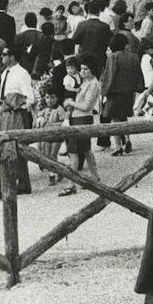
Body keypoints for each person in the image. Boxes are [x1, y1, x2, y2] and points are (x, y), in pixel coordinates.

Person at [0, 47, 33, 200]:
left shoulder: (22, 74)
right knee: (13, 150)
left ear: (12, 57)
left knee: (9, 149)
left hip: (16, 115)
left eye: (5, 54)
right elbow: (0, 98)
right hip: (4, 115)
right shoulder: (4, 73)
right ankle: (24, 183)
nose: (1, 57)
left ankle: (0, 187)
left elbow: (30, 98)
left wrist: (16, 103)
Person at [60, 54, 102, 196]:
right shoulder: (85, 82)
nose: (82, 72)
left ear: (92, 70)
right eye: (82, 69)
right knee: (85, 150)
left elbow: (86, 106)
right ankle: (95, 177)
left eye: (86, 69)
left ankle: (72, 183)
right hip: (79, 118)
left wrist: (70, 103)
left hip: (82, 118)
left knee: (74, 152)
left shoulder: (93, 84)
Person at [100, 33, 143, 156]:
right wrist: (138, 87)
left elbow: (110, 76)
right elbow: (138, 74)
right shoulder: (133, 57)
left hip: (115, 91)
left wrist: (104, 92)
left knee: (114, 119)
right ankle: (128, 140)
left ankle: (118, 145)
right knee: (124, 117)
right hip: (129, 91)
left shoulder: (113, 57)